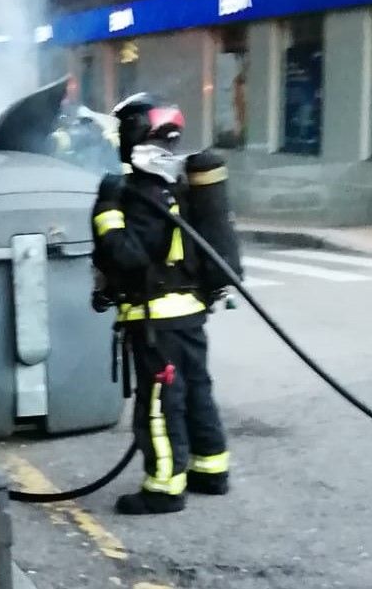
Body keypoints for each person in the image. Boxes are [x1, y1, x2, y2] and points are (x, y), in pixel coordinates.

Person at [90, 93, 230, 515]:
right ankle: (211, 469)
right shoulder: (178, 180)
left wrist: (107, 210)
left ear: (135, 133)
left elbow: (129, 256)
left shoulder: (142, 191)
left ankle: (164, 487)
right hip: (187, 311)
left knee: (160, 402)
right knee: (196, 391)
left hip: (156, 319)